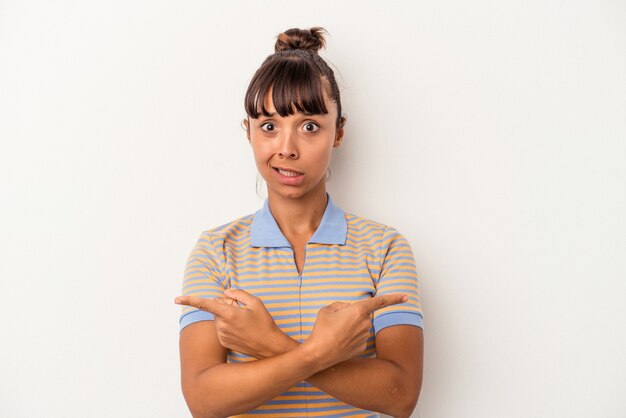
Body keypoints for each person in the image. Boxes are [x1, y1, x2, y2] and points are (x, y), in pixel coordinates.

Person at [175, 27, 424, 418]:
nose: (287, 149)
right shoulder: (215, 250)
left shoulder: (385, 248)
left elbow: (400, 394)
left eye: (309, 126)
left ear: (338, 132)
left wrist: (268, 342)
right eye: (269, 126)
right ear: (249, 133)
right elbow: (204, 400)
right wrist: (319, 352)